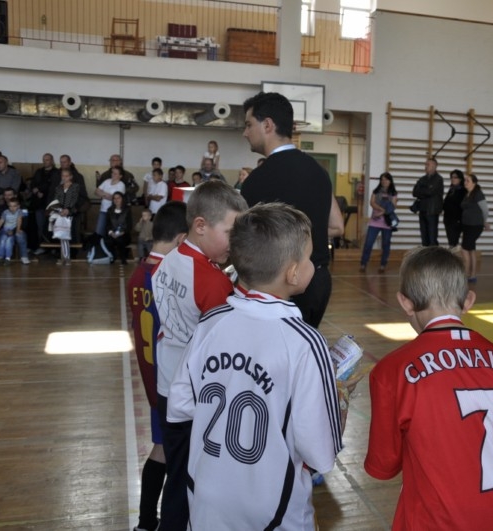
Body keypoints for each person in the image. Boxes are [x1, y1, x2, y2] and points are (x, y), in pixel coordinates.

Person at [167, 202, 343, 530]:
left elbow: (179, 405)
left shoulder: (210, 323)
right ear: (293, 273)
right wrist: (339, 404)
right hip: (276, 512)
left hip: (206, 501)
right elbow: (320, 453)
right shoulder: (306, 343)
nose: (312, 264)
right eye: (308, 257)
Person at [364, 246, 493, 531]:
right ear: (468, 301)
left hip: (435, 521)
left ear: (405, 302)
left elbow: (383, 465)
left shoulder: (393, 370)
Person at [151, 180, 247, 531]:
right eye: (230, 232)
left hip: (168, 381)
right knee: (189, 482)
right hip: (195, 396)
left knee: (177, 472)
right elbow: (229, 342)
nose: (235, 243)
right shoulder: (211, 279)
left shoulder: (171, 258)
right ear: (201, 225)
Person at [240, 91, 344, 328]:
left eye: (248, 125)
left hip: (278, 288)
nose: (245, 133)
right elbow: (337, 226)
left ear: (267, 125)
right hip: (317, 282)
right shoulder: (318, 171)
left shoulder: (256, 181)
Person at [127, 201, 188, 531]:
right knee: (175, 456)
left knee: (161, 449)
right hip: (171, 382)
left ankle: (146, 522)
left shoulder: (139, 274)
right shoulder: (170, 279)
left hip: (152, 378)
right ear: (182, 239)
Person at [360, 171, 398, 273]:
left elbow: (393, 206)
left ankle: (383, 265)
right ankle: (363, 263)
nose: (384, 181)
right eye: (382, 179)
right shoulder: (376, 191)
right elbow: (372, 202)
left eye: (386, 179)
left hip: (387, 222)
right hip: (375, 221)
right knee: (368, 243)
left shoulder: (393, 193)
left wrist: (381, 213)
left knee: (386, 244)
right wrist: (381, 210)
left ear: (390, 181)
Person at [460, 173, 491, 282]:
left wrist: (484, 222)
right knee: (471, 249)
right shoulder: (467, 194)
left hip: (475, 225)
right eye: (465, 180)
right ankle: (472, 276)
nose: (465, 182)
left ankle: (465, 274)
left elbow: (485, 210)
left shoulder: (478, 194)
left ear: (474, 183)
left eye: (468, 180)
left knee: (464, 249)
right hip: (467, 225)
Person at [0, 188, 30, 265]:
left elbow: (25, 223)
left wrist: (14, 231)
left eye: (9, 195)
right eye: (5, 195)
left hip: (17, 229)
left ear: (15, 195)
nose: (7, 197)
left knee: (19, 234)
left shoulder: (23, 207)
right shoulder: (1, 207)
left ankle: (24, 256)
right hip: (5, 230)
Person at [49, 168, 80, 266]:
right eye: (63, 176)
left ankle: (67, 257)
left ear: (71, 177)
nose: (64, 178)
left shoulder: (75, 186)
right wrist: (59, 209)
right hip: (60, 213)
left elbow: (75, 199)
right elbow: (56, 200)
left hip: (70, 214)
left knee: (66, 237)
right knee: (62, 236)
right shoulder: (58, 187)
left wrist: (68, 209)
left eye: (66, 176)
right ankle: (64, 257)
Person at [29, 153, 59, 249]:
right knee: (40, 225)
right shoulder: (39, 171)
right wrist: (37, 191)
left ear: (52, 161)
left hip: (51, 203)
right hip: (39, 204)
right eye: (44, 160)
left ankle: (53, 248)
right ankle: (41, 246)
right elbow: (33, 183)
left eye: (47, 159)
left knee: (51, 226)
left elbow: (53, 186)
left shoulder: (56, 172)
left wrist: (40, 189)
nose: (45, 162)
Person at [412, 156, 444, 246]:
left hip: (432, 211)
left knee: (432, 237)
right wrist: (426, 190)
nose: (425, 166)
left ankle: (434, 254)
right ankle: (426, 254)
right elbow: (414, 192)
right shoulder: (422, 178)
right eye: (425, 164)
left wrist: (422, 190)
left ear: (434, 166)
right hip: (422, 209)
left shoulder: (438, 179)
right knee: (424, 237)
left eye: (428, 164)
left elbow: (430, 192)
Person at [95, 165, 126, 236]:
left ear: (120, 176)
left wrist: (102, 194)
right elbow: (96, 191)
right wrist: (106, 195)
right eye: (112, 172)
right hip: (103, 209)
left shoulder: (121, 185)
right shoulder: (107, 181)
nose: (113, 174)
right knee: (99, 231)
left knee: (111, 231)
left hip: (113, 211)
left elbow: (115, 198)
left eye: (115, 173)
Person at [104, 191, 133, 265]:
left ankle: (123, 258)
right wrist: (111, 233)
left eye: (118, 198)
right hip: (112, 233)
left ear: (122, 199)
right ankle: (112, 256)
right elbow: (107, 224)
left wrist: (121, 233)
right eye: (114, 198)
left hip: (124, 234)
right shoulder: (109, 210)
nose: (116, 200)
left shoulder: (127, 210)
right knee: (108, 240)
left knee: (120, 240)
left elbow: (129, 225)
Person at [442, 169, 464, 248]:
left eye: (455, 177)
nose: (453, 179)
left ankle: (453, 253)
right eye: (452, 177)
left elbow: (462, 206)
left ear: (460, 179)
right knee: (450, 240)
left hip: (456, 219)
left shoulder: (463, 190)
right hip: (448, 218)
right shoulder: (451, 189)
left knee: (453, 240)